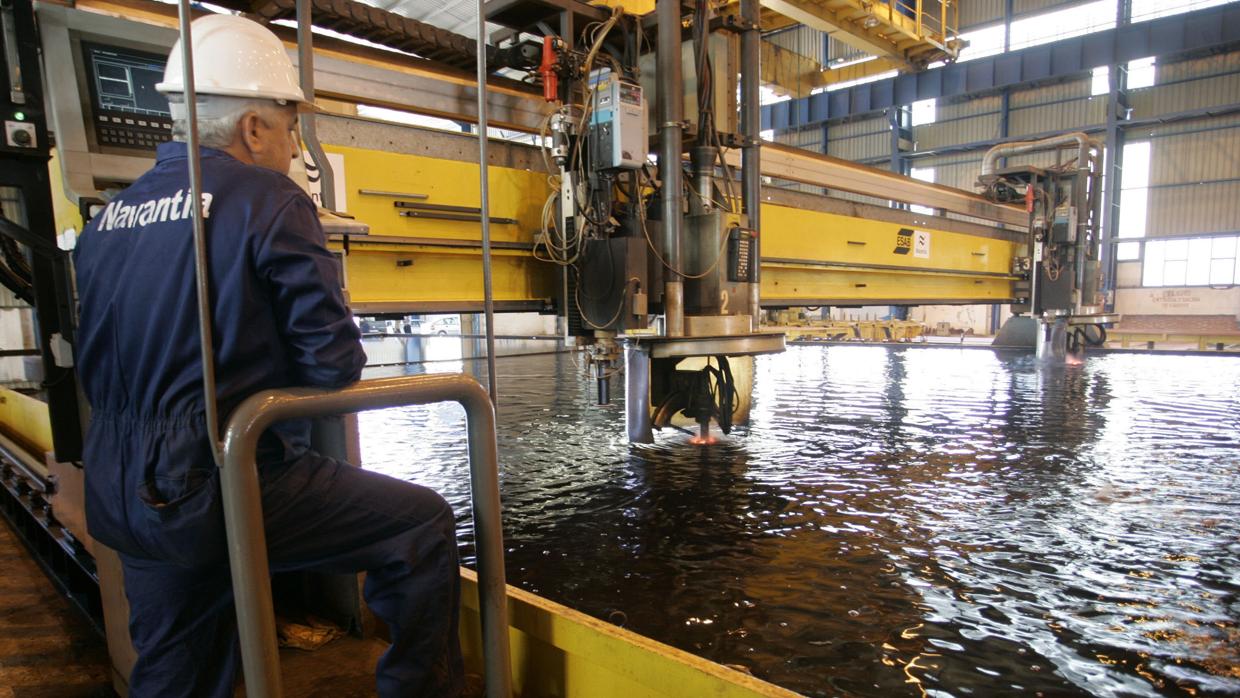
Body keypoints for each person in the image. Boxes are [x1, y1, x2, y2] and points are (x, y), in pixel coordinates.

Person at [72, 14, 463, 697]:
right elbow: (333, 362)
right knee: (422, 524)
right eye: (290, 127)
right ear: (254, 127)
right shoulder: (267, 198)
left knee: (178, 665)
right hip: (216, 476)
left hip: (118, 483)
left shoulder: (110, 217)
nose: (293, 147)